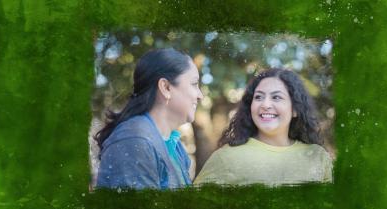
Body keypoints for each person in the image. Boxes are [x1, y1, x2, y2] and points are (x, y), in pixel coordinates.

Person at [194, 68, 332, 186]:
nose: (265, 104)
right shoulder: (226, 157)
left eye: (276, 97)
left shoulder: (317, 157)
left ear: (295, 109)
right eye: (258, 97)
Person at [95, 48, 203, 189]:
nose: (200, 95)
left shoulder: (172, 143)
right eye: (194, 84)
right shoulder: (134, 140)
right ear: (165, 87)